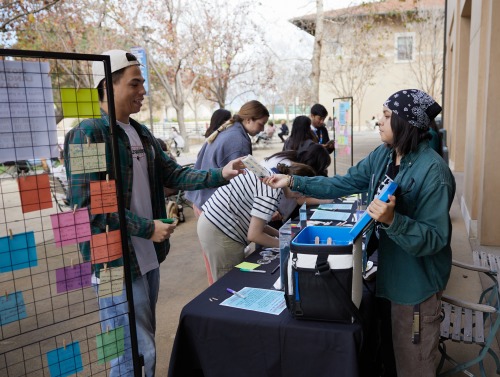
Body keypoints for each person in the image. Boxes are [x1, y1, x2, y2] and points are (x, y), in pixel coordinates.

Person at [64, 50, 245, 377]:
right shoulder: (86, 134)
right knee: (130, 350)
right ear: (108, 85)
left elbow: (173, 174)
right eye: (135, 84)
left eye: (143, 83)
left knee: (138, 343)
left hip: (147, 259)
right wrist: (146, 228)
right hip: (111, 265)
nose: (143, 91)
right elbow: (87, 205)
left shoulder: (141, 133)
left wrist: (221, 173)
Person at [263, 89, 456, 377]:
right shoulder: (385, 155)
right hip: (386, 274)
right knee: (389, 355)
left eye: (387, 116)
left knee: (413, 362)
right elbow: (345, 182)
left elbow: (435, 239)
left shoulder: (434, 173)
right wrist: (293, 180)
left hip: (414, 286)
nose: (379, 121)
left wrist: (394, 221)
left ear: (406, 122)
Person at [185, 101, 269, 284]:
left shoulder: (229, 131)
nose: (262, 129)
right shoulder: (237, 140)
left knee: (216, 269)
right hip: (213, 208)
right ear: (248, 119)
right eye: (260, 124)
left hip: (203, 203)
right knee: (226, 276)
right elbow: (242, 183)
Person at [198, 161, 317, 282]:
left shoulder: (271, 176)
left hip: (212, 222)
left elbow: (258, 224)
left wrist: (281, 236)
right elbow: (254, 235)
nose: (300, 197)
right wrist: (287, 245)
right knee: (230, 280)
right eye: (302, 193)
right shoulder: (272, 189)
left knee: (233, 277)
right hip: (220, 230)